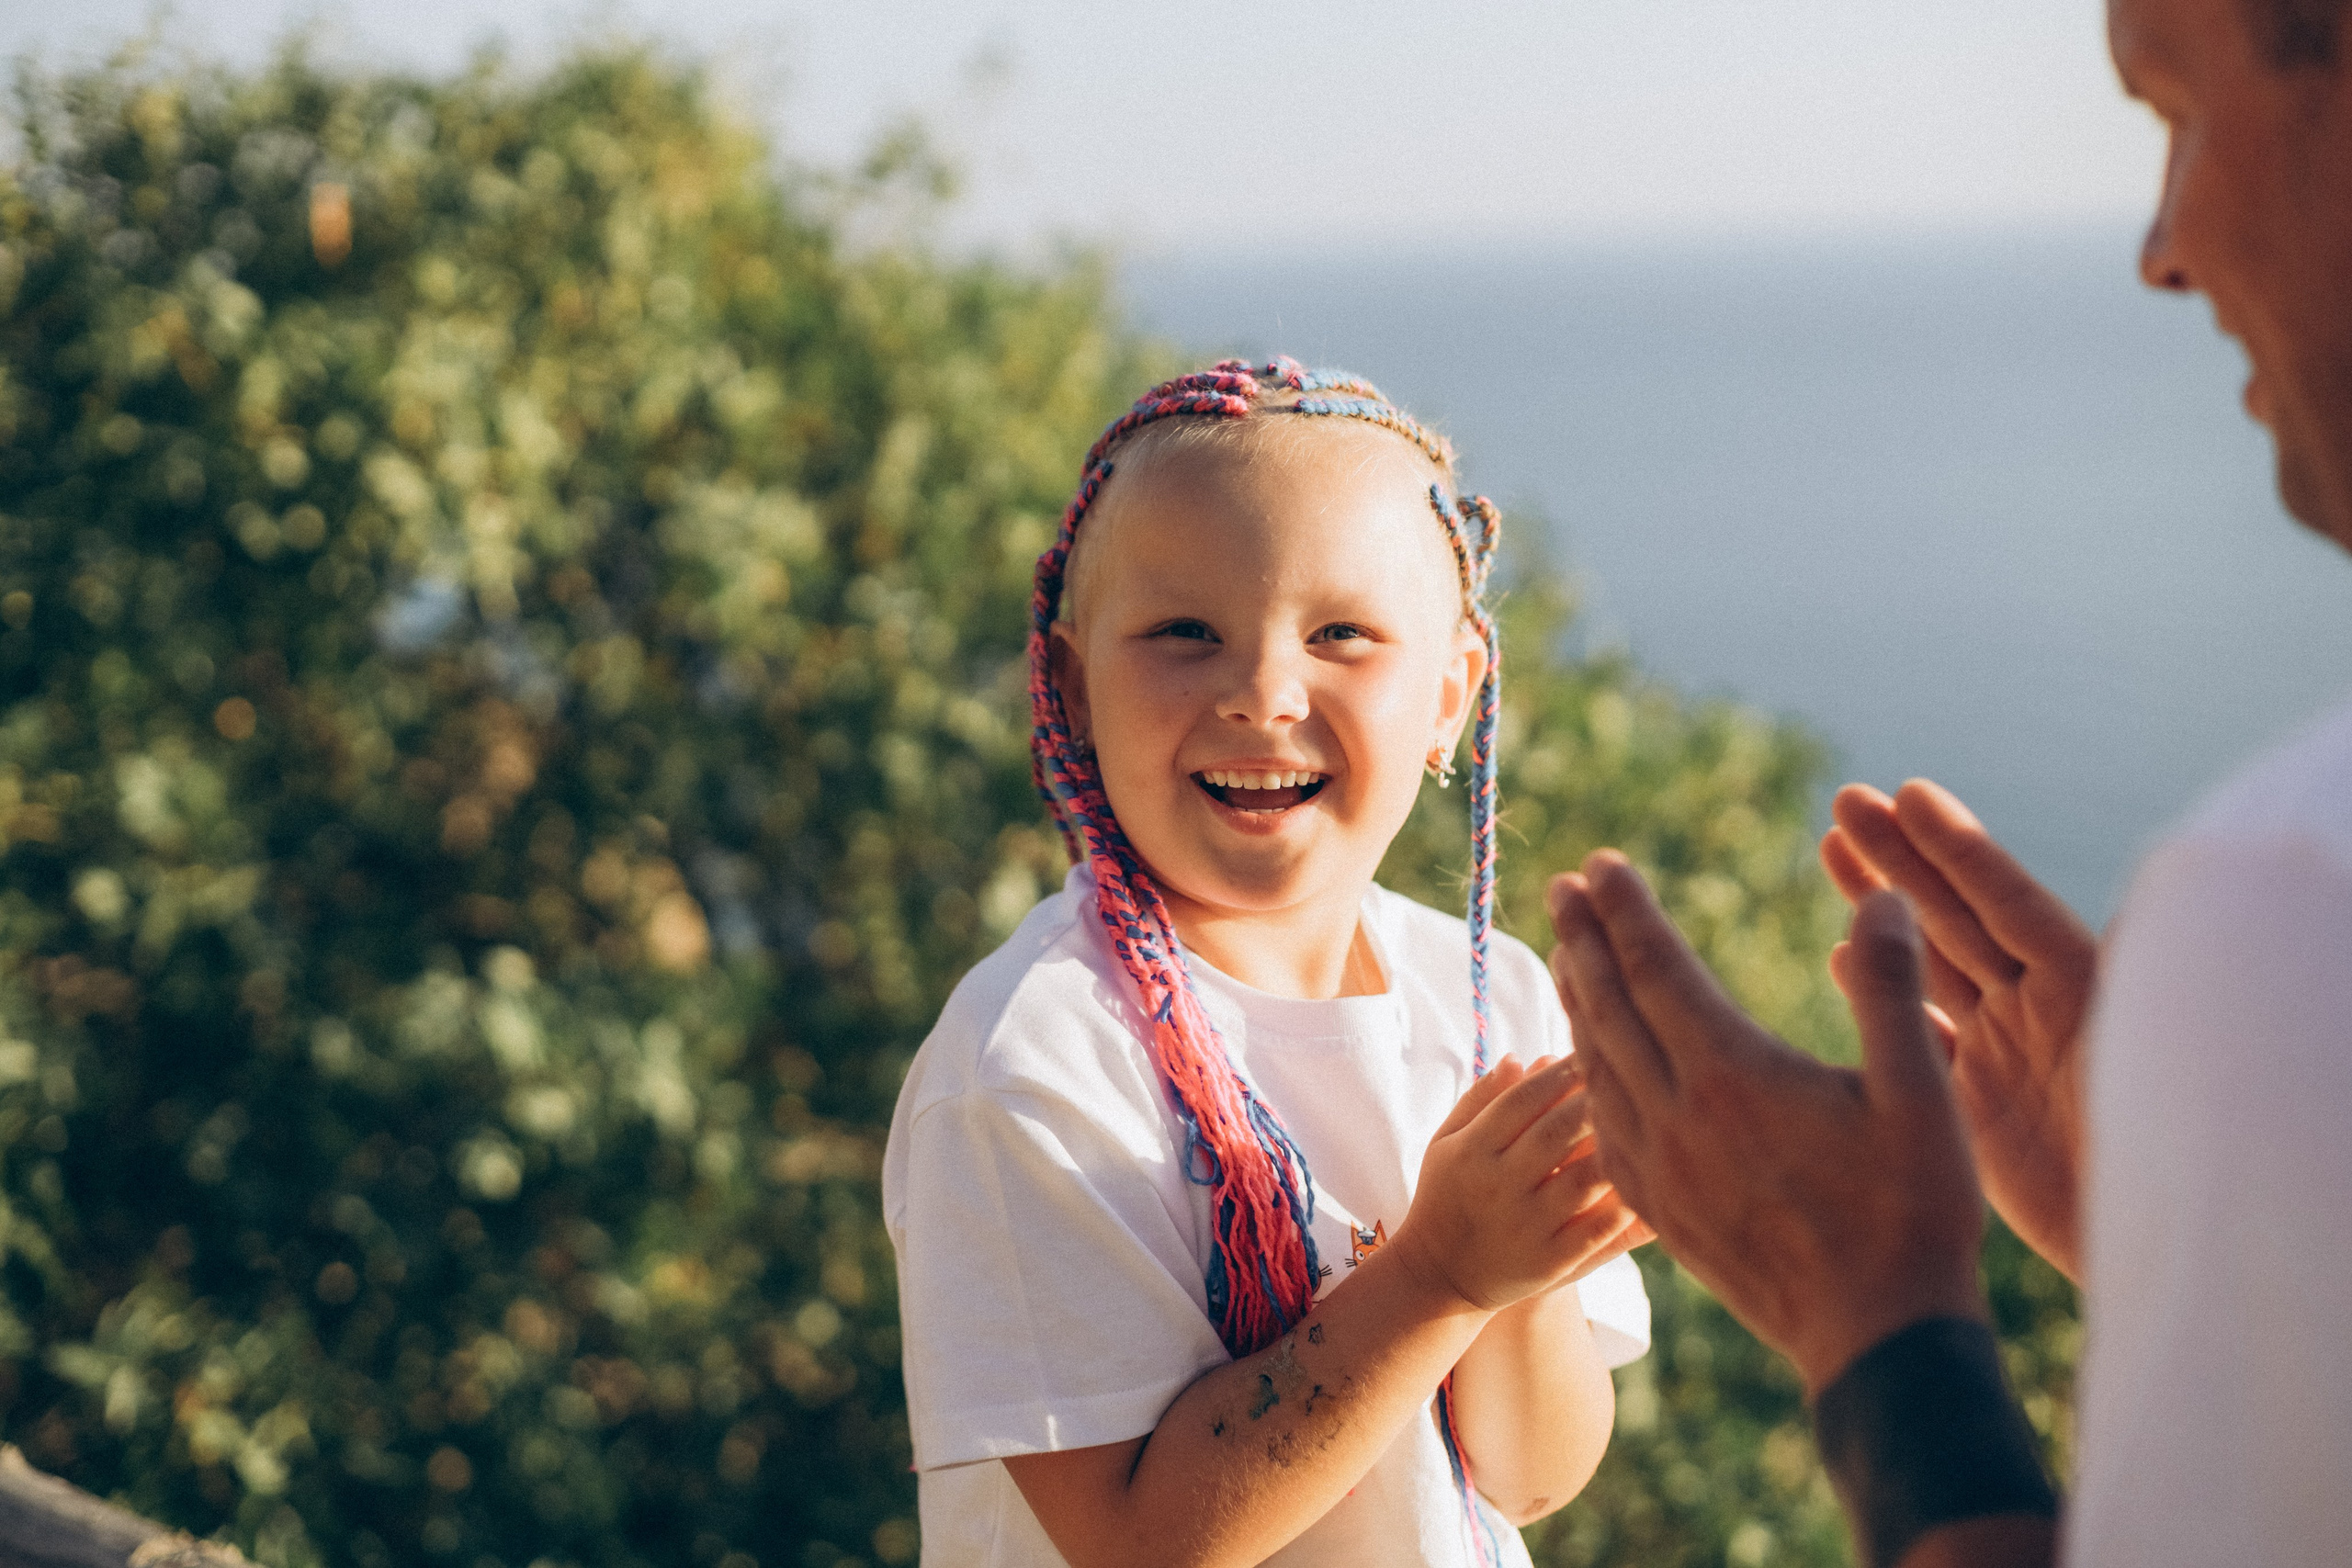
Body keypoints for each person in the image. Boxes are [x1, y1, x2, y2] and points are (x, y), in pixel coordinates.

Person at [1543, 0, 2352, 1564]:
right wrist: (2220, 1242)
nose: (2165, 249)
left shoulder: (2297, 896)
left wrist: (1873, 1316)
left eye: (2175, 114)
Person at [882, 359, 1654, 1568]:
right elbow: (1142, 1542)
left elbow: (1534, 1476)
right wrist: (1443, 1272)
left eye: (1341, 634)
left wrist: (1524, 1268)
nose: (1261, 693)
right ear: (1075, 686)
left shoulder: (1492, 1001)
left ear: (1452, 692)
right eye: (1185, 635)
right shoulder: (1031, 1066)